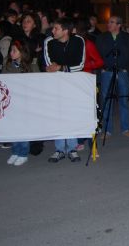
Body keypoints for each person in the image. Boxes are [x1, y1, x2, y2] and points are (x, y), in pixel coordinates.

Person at [44, 17, 85, 163]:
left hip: (74, 84)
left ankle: (72, 148)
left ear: (65, 31)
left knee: (71, 115)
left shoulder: (78, 40)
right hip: (56, 84)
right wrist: (62, 68)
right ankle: (59, 149)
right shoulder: (49, 42)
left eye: (56, 28)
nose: (52, 31)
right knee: (59, 115)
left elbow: (79, 64)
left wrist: (61, 67)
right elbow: (49, 66)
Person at [95, 16, 129, 137]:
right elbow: (101, 53)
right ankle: (107, 129)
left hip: (123, 71)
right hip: (107, 71)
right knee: (106, 101)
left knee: (124, 100)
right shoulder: (101, 37)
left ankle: (125, 128)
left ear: (119, 25)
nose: (109, 24)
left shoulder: (127, 38)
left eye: (112, 22)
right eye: (109, 22)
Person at [3, 40, 39, 166]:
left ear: (22, 52)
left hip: (26, 103)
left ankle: (23, 153)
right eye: (10, 51)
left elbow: (38, 84)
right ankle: (15, 151)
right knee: (13, 128)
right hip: (12, 103)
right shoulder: (8, 66)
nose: (11, 53)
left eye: (14, 50)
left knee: (23, 129)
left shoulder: (31, 66)